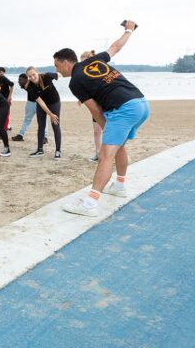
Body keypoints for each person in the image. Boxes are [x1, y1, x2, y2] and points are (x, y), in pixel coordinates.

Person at [56, 20, 149, 217]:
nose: (58, 70)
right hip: (140, 103)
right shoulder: (93, 60)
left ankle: (89, 204)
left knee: (106, 155)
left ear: (66, 62)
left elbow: (95, 110)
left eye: (58, 65)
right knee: (119, 146)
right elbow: (115, 47)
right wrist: (128, 30)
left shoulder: (75, 82)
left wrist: (106, 128)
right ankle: (120, 186)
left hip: (123, 110)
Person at [26, 66, 62, 158]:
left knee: (55, 124)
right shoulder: (29, 87)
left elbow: (60, 74)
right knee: (41, 126)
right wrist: (50, 114)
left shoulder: (47, 76)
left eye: (34, 74)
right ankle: (40, 150)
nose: (32, 77)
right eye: (30, 76)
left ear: (37, 72)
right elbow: (40, 102)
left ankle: (58, 151)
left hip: (54, 102)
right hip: (42, 104)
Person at [11, 73, 49, 143]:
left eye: (20, 80)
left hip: (40, 103)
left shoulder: (33, 82)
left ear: (26, 79)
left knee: (43, 121)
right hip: (30, 103)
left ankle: (45, 137)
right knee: (26, 120)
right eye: (19, 80)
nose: (19, 81)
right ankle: (20, 135)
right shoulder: (25, 85)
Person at [80, 50, 103, 162]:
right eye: (81, 63)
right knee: (96, 131)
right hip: (95, 106)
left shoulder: (99, 72)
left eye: (85, 62)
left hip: (107, 104)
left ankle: (110, 153)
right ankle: (98, 153)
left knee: (109, 130)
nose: (83, 65)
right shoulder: (85, 75)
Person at [0, 67, 14, 131]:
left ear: (4, 72)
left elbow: (12, 85)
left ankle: (5, 129)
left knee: (6, 115)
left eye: (1, 72)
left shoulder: (4, 78)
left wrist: (9, 96)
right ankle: (0, 129)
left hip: (6, 98)